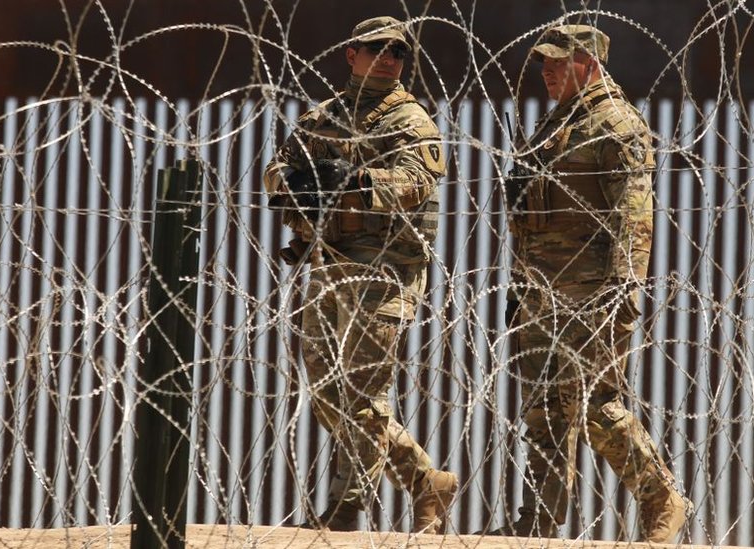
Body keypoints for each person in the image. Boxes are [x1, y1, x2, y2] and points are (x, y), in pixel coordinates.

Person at [493, 24, 690, 543]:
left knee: (596, 406)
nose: (548, 71)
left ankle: (662, 498)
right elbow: (532, 215)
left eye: (560, 61)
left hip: (592, 289)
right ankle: (538, 517)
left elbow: (635, 212)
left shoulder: (615, 124)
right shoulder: (556, 125)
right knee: (543, 410)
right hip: (542, 288)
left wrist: (625, 285)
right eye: (544, 62)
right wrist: (518, 283)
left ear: (592, 65)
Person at [263, 16, 457, 534]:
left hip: (383, 270)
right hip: (326, 263)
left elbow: (417, 182)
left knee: (364, 392)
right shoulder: (321, 118)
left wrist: (354, 180)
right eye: (378, 48)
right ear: (352, 53)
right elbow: (276, 171)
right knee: (328, 388)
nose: (390, 58)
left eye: (399, 52)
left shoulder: (410, 121)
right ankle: (424, 481)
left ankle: (347, 505)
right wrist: (297, 182)